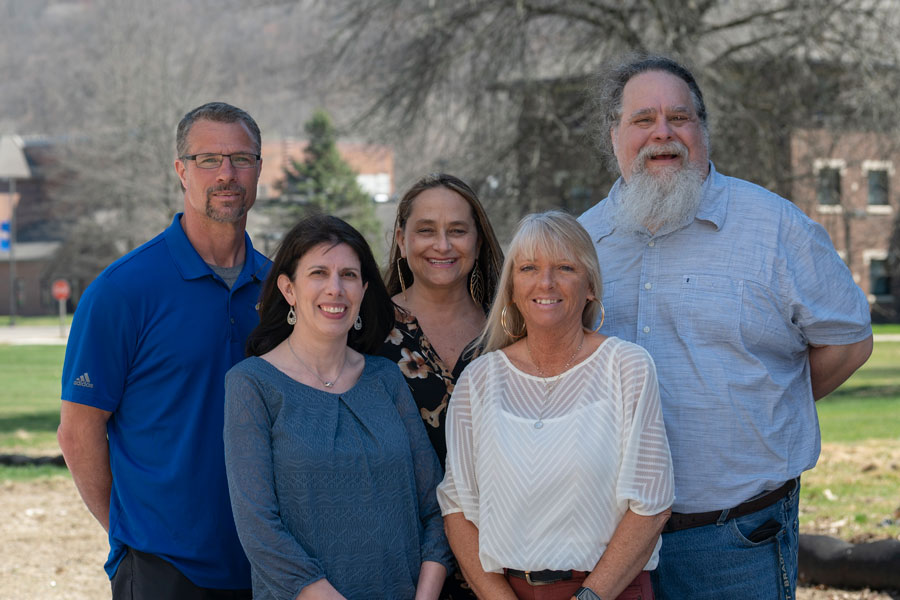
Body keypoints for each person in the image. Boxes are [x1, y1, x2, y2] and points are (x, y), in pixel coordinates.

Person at [578, 55, 874, 599]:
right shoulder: (581, 244)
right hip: (606, 544)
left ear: (703, 130)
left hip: (737, 537)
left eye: (680, 118)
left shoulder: (775, 228)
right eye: (643, 120)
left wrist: (770, 403)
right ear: (613, 134)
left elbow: (849, 341)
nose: (662, 134)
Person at [57, 102, 269, 598]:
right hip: (163, 568)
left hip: (269, 563)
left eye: (241, 158)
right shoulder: (123, 290)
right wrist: (131, 536)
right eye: (208, 160)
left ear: (260, 168)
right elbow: (77, 432)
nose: (227, 174)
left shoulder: (282, 289)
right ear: (181, 170)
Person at [438, 211, 674, 600]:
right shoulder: (480, 380)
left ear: (591, 286)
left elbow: (651, 506)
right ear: (513, 287)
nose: (545, 283)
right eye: (529, 267)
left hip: (609, 591)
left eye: (564, 267)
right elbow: (457, 508)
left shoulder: (626, 367)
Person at [224, 214, 453, 600]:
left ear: (363, 290)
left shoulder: (386, 379)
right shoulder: (251, 384)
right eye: (318, 273)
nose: (335, 289)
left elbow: (435, 508)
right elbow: (259, 529)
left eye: (348, 275)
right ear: (288, 289)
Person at [379, 173, 503, 599]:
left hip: (502, 566)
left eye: (458, 231)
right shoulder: (365, 330)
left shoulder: (512, 331)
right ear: (401, 239)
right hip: (399, 565)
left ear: (479, 240)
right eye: (426, 230)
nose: (443, 245)